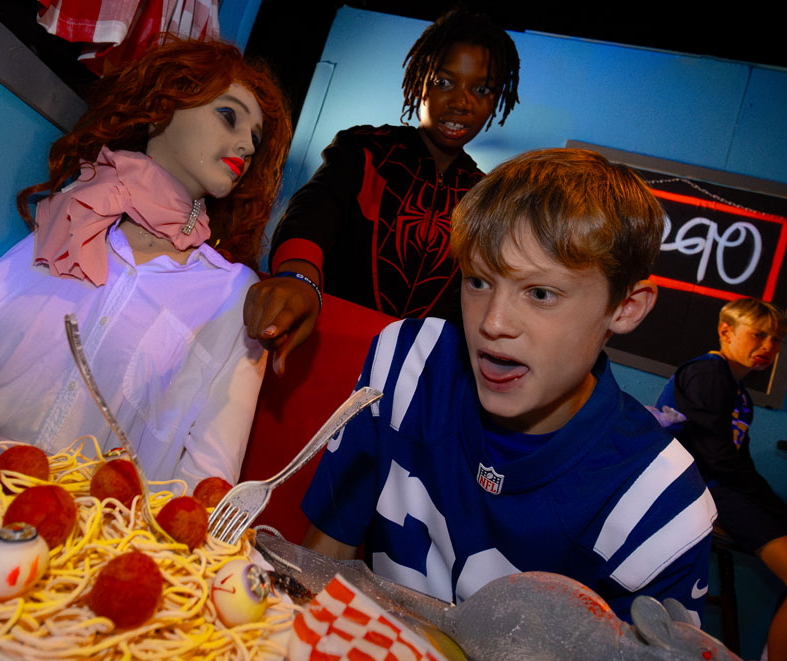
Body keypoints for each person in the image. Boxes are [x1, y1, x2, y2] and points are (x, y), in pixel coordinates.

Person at [301, 148, 718, 621]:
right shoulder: (405, 365)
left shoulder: (660, 502)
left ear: (626, 308)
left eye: (540, 293)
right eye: (478, 281)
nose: (493, 322)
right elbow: (320, 565)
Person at [0, 38, 292, 491]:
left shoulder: (231, 294)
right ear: (163, 107)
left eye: (254, 140)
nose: (245, 147)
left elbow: (208, 479)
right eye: (228, 115)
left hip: (90, 543)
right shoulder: (71, 219)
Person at [243, 8, 520, 375]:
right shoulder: (365, 149)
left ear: (496, 99)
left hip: (415, 376)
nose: (462, 102)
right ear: (418, 80)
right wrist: (298, 278)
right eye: (444, 82)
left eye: (481, 89)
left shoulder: (486, 195)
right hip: (325, 348)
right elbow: (313, 213)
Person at [656, 298, 787, 661]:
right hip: (703, 491)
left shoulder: (738, 389)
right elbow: (718, 460)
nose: (768, 347)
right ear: (726, 331)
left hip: (729, 489)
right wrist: (785, 519)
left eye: (776, 341)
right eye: (758, 335)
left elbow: (740, 462)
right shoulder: (707, 372)